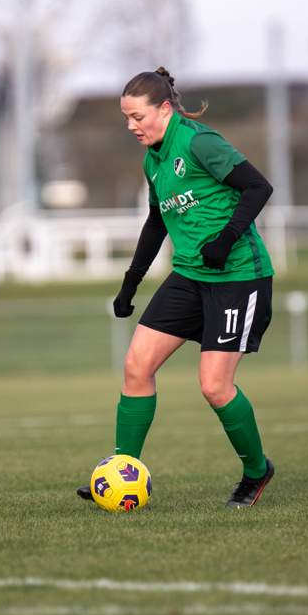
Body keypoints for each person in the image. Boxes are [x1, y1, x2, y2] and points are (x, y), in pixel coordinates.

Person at [77, 67, 276, 509]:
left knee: (214, 387)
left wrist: (224, 241)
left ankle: (257, 471)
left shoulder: (199, 142)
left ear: (164, 109)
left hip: (238, 277)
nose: (131, 126)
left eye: (137, 116)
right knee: (136, 366)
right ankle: (120, 471)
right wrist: (130, 283)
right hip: (189, 276)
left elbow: (258, 188)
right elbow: (157, 222)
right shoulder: (153, 156)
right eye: (126, 118)